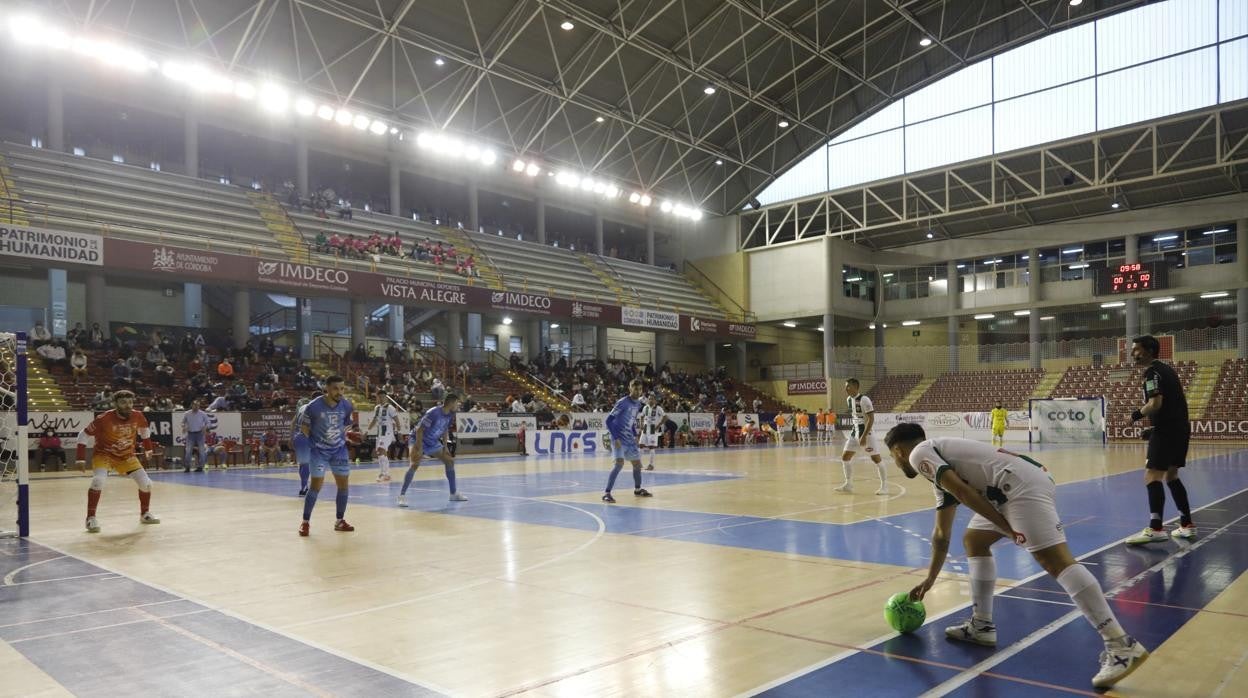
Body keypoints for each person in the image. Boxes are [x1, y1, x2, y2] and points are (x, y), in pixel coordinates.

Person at [884, 422, 1149, 689]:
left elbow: (964, 494)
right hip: (1013, 487)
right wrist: (930, 580)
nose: (897, 463)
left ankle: (1120, 645)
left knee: (1055, 560)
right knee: (974, 540)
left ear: (897, 451)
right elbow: (941, 534)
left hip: (1019, 487)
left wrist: (1005, 526)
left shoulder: (919, 454)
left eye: (893, 457)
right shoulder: (937, 463)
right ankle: (981, 625)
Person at [1125, 335, 1196, 544]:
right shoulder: (1167, 370)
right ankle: (1186, 525)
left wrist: (1135, 415)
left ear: (1149, 351)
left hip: (1167, 431)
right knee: (1171, 475)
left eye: (1136, 349)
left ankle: (1156, 529)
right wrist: (1154, 429)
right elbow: (1170, 405)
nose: (1132, 353)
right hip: (1179, 429)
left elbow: (1155, 404)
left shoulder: (1152, 373)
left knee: (1151, 476)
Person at [75, 390, 161, 532]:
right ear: (115, 404)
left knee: (146, 484)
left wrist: (148, 449)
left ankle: (145, 514)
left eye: (130, 402)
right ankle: (90, 518)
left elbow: (144, 431)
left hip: (126, 455)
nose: (127, 405)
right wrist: (79, 458)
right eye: (123, 402)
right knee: (98, 481)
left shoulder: (138, 415)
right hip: (104, 455)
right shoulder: (104, 419)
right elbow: (82, 435)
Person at [295, 376, 356, 536]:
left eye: (342, 388)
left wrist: (350, 435)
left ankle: (339, 521)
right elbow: (304, 428)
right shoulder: (313, 407)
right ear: (327, 389)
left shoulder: (347, 405)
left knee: (343, 486)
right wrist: (312, 444)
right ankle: (305, 522)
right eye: (336, 388)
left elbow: (346, 425)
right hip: (319, 452)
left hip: (339, 451)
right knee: (315, 486)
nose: (340, 392)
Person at [398, 393, 468, 506]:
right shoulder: (433, 412)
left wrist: (445, 446)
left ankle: (453, 494)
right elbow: (419, 430)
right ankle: (401, 496)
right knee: (414, 464)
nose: (458, 405)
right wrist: (419, 447)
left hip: (432, 442)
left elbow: (445, 429)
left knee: (449, 461)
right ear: (451, 403)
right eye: (457, 403)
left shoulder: (451, 414)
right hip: (417, 439)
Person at [602, 379, 652, 503]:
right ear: (630, 388)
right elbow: (608, 421)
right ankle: (607, 493)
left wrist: (635, 435)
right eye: (635, 389)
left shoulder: (638, 404)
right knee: (619, 464)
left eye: (640, 389)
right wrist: (616, 437)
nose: (638, 391)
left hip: (629, 439)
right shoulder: (622, 402)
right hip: (618, 438)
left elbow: (631, 421)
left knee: (637, 465)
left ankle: (638, 489)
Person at [837, 378, 887, 495]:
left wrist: (864, 436)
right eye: (845, 386)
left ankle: (884, 486)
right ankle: (848, 484)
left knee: (876, 459)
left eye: (848, 386)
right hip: (854, 434)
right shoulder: (848, 399)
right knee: (845, 458)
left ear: (856, 387)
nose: (846, 389)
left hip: (866, 435)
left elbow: (871, 418)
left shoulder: (864, 399)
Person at [365, 392, 401, 483]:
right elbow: (374, 420)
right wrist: (367, 431)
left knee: (381, 450)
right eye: (379, 397)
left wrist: (399, 432)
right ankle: (384, 473)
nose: (381, 398)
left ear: (386, 398)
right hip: (380, 433)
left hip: (388, 433)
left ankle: (385, 474)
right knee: (379, 453)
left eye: (383, 397)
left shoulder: (390, 408)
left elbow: (397, 420)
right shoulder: (376, 408)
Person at [291, 395, 315, 496]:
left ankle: (304, 486)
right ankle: (304, 488)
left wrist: (291, 438)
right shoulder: (312, 408)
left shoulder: (300, 408)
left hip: (297, 437)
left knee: (303, 464)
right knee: (307, 464)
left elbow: (292, 423)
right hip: (305, 436)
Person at [181, 400, 212, 472]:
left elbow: (209, 423)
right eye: (195, 405)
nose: (196, 407)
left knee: (202, 451)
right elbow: (183, 422)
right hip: (190, 434)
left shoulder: (202, 414)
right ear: (192, 405)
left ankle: (200, 467)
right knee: (188, 450)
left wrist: (205, 427)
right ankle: (187, 467)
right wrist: (183, 426)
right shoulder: (187, 413)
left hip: (200, 434)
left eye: (198, 405)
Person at [639, 394, 665, 471]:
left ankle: (651, 465)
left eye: (652, 399)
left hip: (653, 430)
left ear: (655, 400)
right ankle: (639, 463)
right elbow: (642, 416)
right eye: (649, 399)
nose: (650, 400)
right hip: (645, 429)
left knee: (651, 447)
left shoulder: (658, 408)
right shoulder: (645, 407)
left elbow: (665, 417)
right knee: (640, 445)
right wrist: (641, 424)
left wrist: (659, 425)